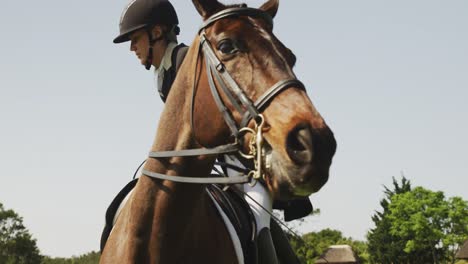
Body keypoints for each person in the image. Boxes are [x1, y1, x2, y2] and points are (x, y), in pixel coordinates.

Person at [113, 0, 310, 263]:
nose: (132, 47)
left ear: (157, 32)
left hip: (238, 162)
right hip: (206, 165)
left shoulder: (186, 60)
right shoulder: (163, 72)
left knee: (257, 213)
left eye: (135, 38)